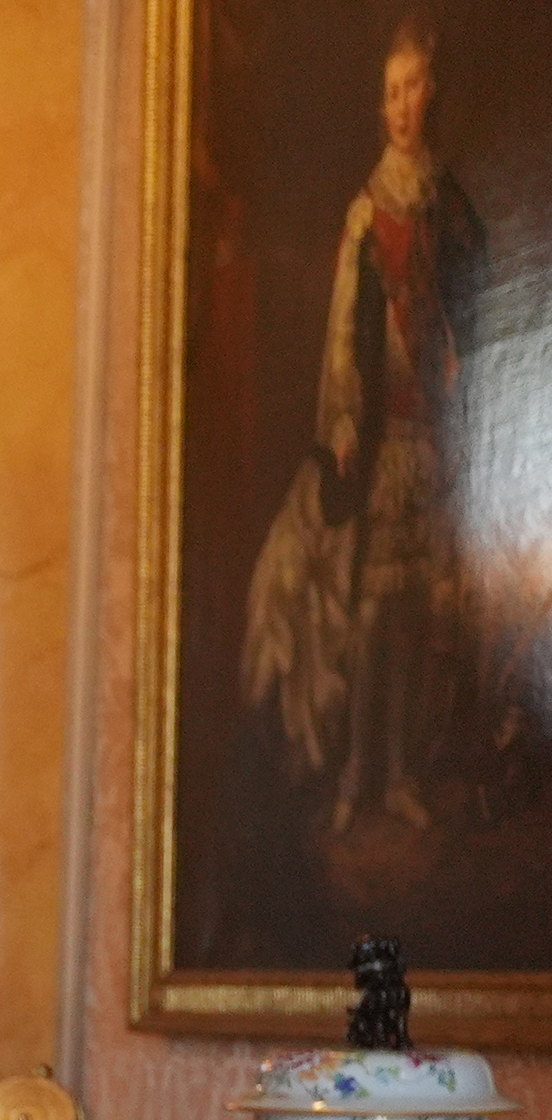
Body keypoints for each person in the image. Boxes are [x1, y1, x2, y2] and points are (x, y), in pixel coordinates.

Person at [240, 12, 488, 831]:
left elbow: (476, 309)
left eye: (415, 87)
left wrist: (462, 357)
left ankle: (404, 774)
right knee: (375, 613)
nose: (403, 104)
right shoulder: (363, 213)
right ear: (379, 106)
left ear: (432, 94)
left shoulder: (452, 208)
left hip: (436, 439)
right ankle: (356, 774)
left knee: (423, 613)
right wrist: (344, 419)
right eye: (391, 91)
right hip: (381, 442)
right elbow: (344, 334)